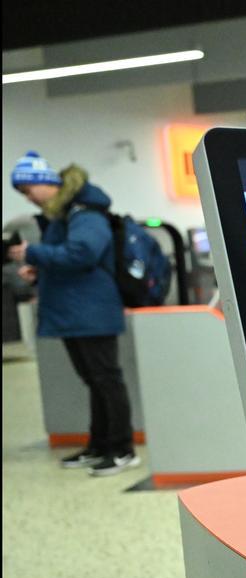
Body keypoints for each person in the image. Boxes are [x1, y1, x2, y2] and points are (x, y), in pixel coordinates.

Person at [7, 152, 139, 476]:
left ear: (45, 183)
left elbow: (84, 252)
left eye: (28, 190)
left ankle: (122, 449)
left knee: (106, 380)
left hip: (91, 309)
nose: (28, 198)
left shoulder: (85, 211)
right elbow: (71, 259)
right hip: (75, 310)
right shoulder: (65, 214)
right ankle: (100, 445)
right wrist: (39, 270)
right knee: (94, 381)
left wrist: (33, 252)